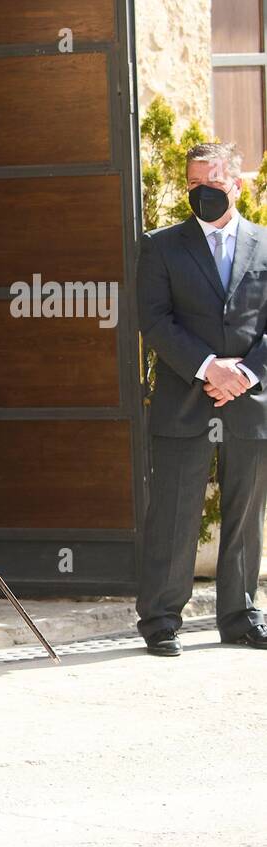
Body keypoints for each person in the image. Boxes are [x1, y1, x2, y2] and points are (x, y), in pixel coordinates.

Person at [136, 142, 267, 656]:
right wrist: (209, 367)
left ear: (236, 185)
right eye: (192, 185)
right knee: (172, 513)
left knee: (245, 513)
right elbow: (154, 320)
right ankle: (162, 619)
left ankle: (239, 615)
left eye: (212, 184)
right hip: (183, 399)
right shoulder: (162, 246)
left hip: (250, 401)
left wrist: (246, 375)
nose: (201, 194)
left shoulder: (264, 244)